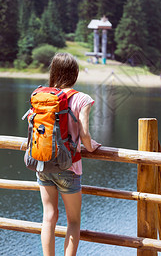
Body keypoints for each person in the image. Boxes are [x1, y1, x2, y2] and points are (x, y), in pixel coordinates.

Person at [36, 52, 101, 256]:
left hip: (43, 163)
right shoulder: (82, 98)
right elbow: (84, 133)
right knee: (73, 221)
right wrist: (91, 147)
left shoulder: (42, 96)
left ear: (53, 72)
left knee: (49, 217)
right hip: (69, 167)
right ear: (75, 73)